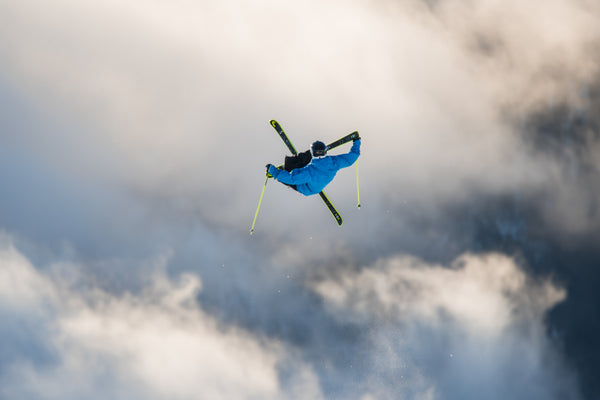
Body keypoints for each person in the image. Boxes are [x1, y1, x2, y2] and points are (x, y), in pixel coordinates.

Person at [266, 137, 361, 196]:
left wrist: (273, 171)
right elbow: (350, 159)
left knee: (289, 165)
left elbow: (291, 179)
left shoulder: (308, 172)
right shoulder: (334, 162)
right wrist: (356, 143)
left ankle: (283, 169)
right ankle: (299, 161)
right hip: (317, 184)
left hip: (305, 189)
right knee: (304, 161)